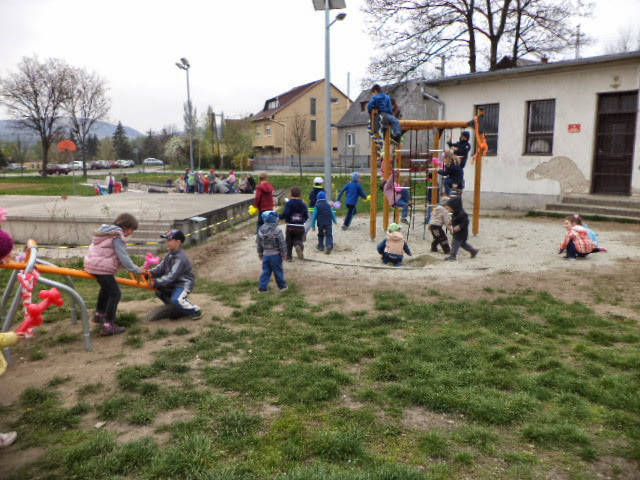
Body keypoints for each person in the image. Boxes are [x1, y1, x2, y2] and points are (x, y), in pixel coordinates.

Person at [84, 213, 143, 336]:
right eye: (132, 230)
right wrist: (135, 269)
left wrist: (130, 267)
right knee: (115, 294)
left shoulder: (106, 233)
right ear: (126, 227)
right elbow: (123, 256)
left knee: (106, 289)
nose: (131, 233)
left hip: (92, 264)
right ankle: (109, 325)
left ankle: (100, 314)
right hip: (102, 268)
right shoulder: (117, 236)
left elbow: (112, 254)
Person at [145, 230, 202, 319]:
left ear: (178, 242)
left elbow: (171, 276)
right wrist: (149, 273)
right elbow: (160, 268)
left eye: (169, 240)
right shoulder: (170, 255)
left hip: (183, 284)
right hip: (173, 282)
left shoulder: (180, 258)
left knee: (177, 300)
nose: (167, 243)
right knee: (159, 291)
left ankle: (195, 311)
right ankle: (176, 308)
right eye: (166, 240)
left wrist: (156, 282)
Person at [256, 210, 287, 292]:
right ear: (275, 219)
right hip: (275, 255)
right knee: (278, 271)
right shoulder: (277, 230)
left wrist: (260, 253)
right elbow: (282, 243)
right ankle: (282, 286)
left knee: (266, 271)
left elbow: (259, 243)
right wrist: (284, 253)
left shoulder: (260, 229)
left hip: (266, 255)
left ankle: (262, 288)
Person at [444, 197, 479, 261]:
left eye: (449, 208)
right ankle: (473, 251)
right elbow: (455, 220)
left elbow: (466, 222)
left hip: (461, 233)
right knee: (462, 244)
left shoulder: (462, 214)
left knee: (455, 243)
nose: (448, 210)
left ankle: (453, 256)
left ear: (454, 206)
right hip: (458, 233)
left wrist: (459, 226)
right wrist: (451, 222)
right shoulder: (455, 213)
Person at [280, 186, 309, 261]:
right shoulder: (303, 204)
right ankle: (298, 246)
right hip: (300, 226)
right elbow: (306, 216)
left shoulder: (289, 203)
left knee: (288, 242)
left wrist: (280, 217)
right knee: (298, 239)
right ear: (300, 195)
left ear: (291, 194)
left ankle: (289, 257)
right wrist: (303, 220)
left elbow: (286, 213)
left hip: (290, 226)